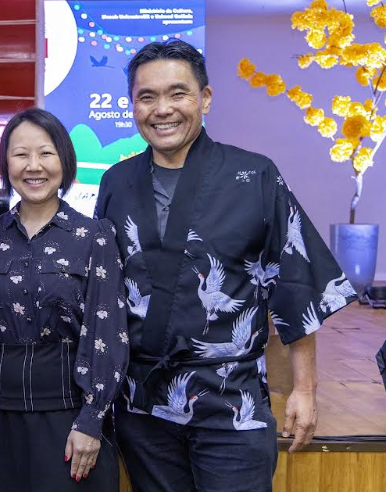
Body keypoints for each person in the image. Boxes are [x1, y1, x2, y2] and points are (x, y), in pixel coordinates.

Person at [94, 40, 358, 492]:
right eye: (147, 96)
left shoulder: (253, 175)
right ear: (133, 105)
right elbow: (103, 290)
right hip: (142, 405)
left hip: (233, 402)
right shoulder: (117, 182)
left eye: (178, 93)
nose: (162, 109)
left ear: (205, 98)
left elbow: (295, 285)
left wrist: (305, 389)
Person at [0, 108, 129, 492]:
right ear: (6, 163)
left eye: (46, 153)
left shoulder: (94, 235)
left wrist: (92, 418)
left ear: (64, 161)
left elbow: (109, 332)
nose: (34, 166)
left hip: (71, 418)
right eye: (21, 154)